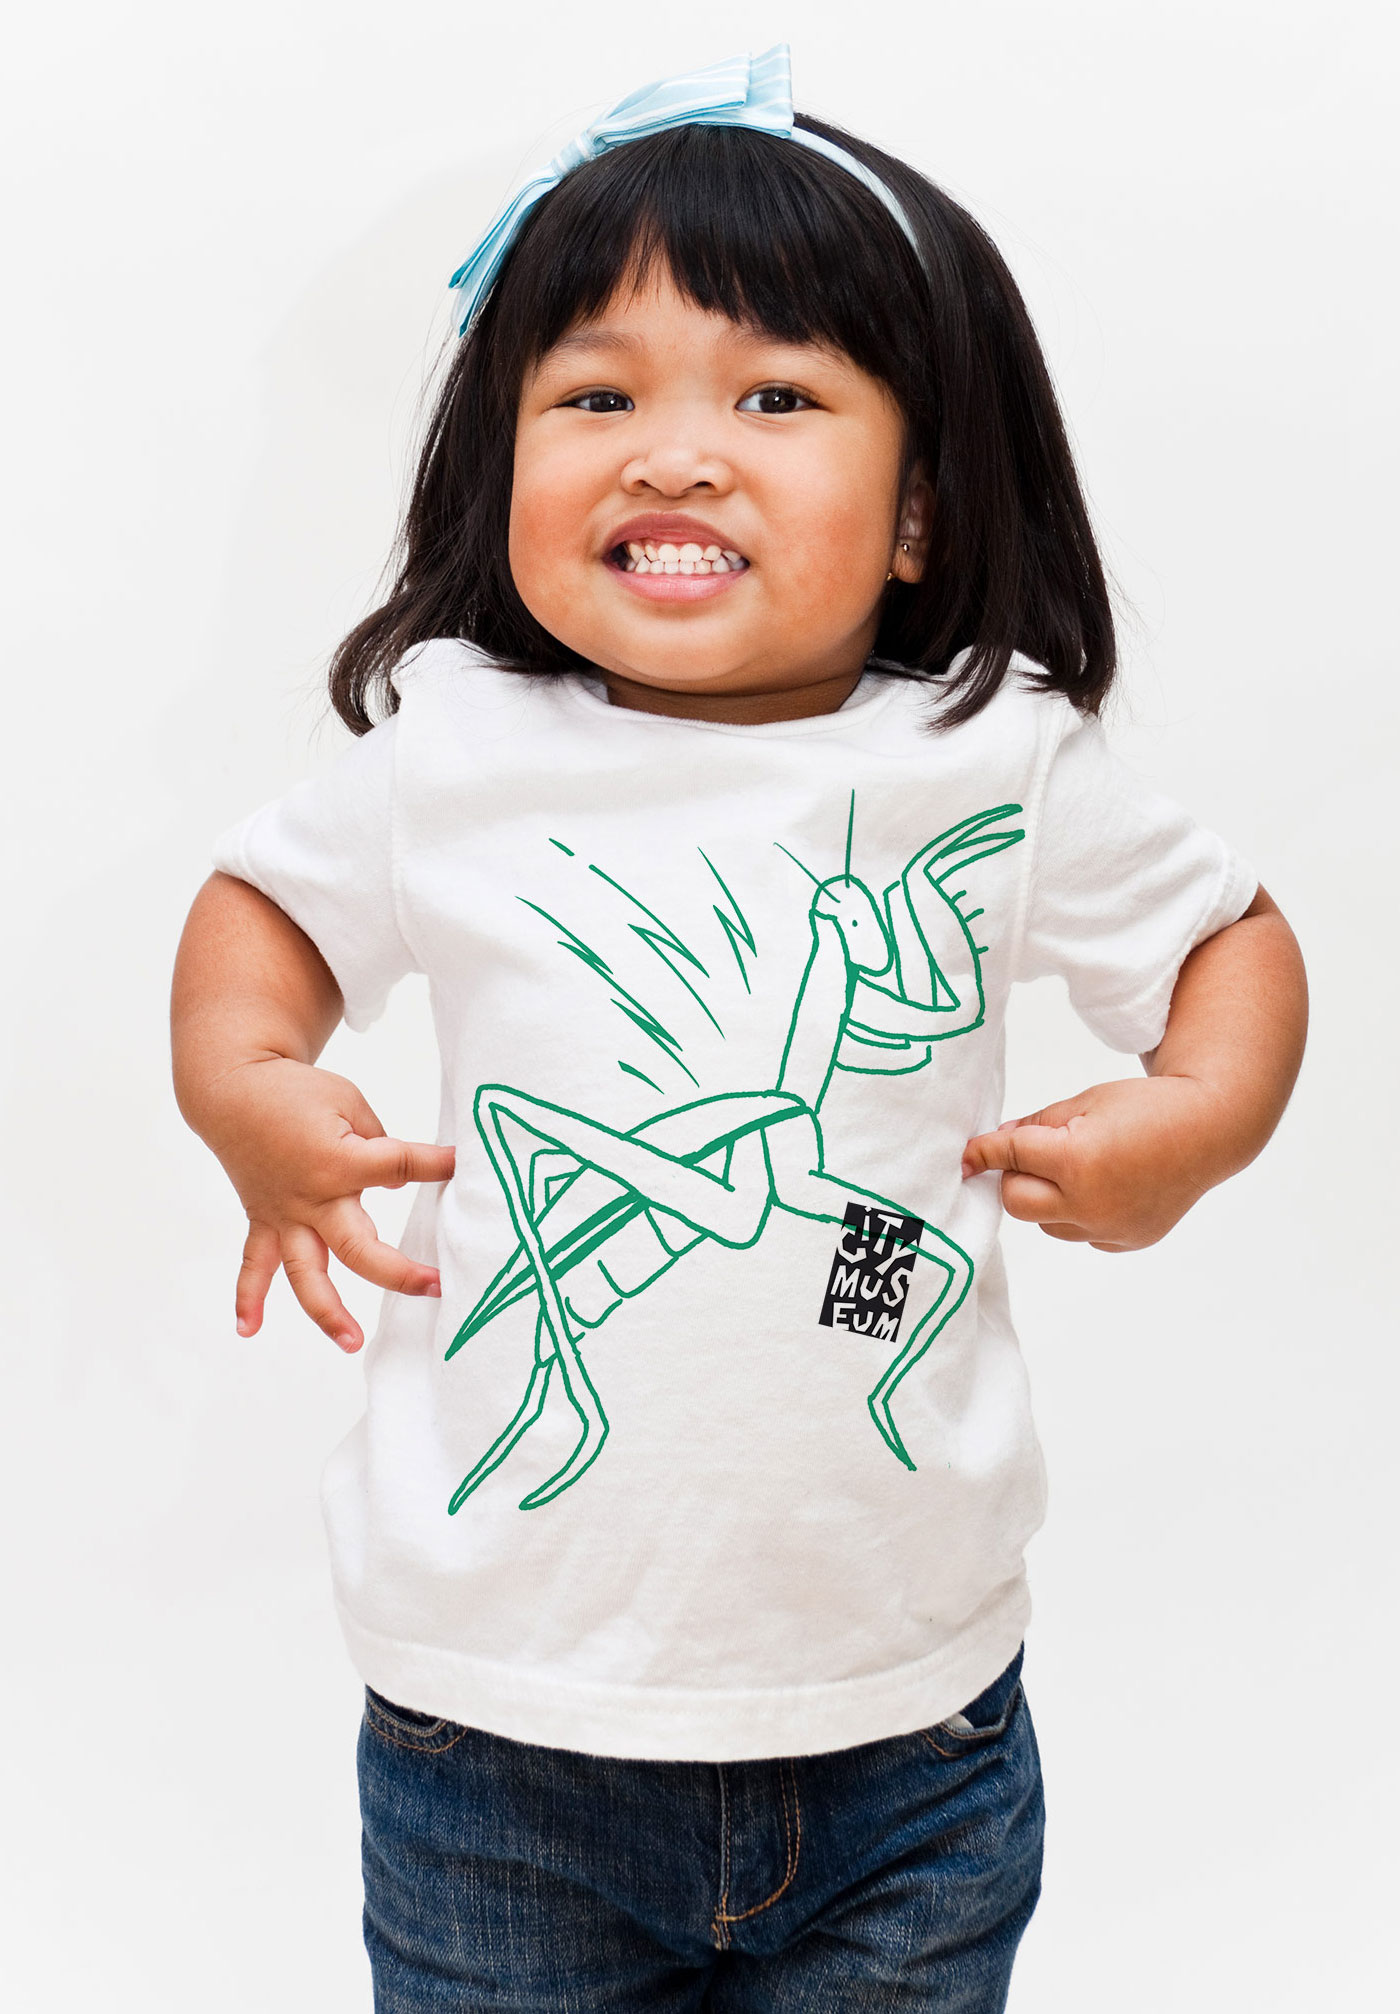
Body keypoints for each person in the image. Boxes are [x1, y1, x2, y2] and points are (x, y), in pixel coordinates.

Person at [170, 45, 1307, 2012]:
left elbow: (1232, 938)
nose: (674, 451)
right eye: (594, 395)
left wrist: (1193, 1113)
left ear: (926, 509)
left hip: (907, 1734)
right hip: (495, 1735)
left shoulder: (990, 754)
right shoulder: (461, 740)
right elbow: (258, 912)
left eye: (775, 397)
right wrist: (252, 1086)